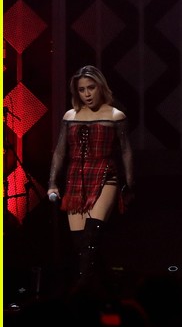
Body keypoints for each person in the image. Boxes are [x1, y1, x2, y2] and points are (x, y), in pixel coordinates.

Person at [46, 65, 134, 290]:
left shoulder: (115, 115)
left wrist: (130, 185)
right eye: (82, 89)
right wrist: (53, 183)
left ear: (100, 87)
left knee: (91, 236)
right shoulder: (70, 116)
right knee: (80, 243)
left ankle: (82, 288)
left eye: (91, 88)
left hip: (106, 174)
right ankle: (98, 286)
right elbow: (59, 150)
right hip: (75, 178)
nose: (87, 94)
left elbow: (125, 150)